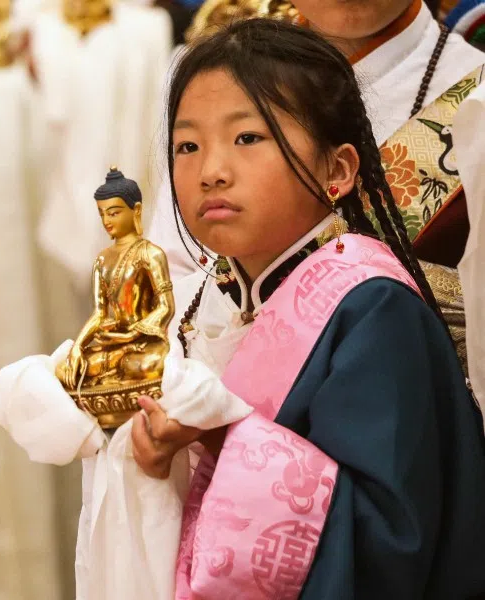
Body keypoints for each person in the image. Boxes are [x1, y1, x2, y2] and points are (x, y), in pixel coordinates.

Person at [132, 19, 485, 597]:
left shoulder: (372, 310)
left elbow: (389, 539)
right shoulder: (218, 295)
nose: (211, 171)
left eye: (248, 138)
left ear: (338, 170)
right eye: (187, 146)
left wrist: (223, 438)